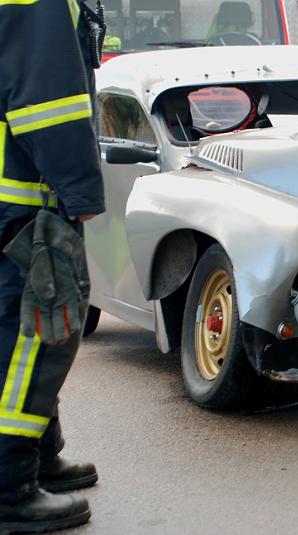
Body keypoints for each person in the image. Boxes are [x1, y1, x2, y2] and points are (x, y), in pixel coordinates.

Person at [0, 0, 106, 532]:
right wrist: (79, 186)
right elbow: (48, 102)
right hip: (22, 198)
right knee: (34, 336)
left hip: (11, 192)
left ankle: (39, 456)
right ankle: (8, 487)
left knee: (32, 331)